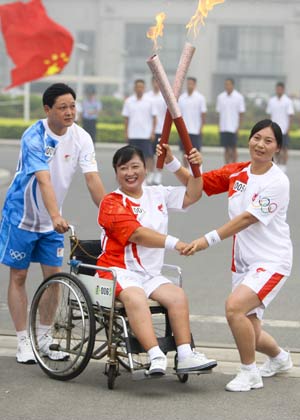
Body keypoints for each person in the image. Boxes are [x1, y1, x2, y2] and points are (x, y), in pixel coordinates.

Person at [176, 119, 292, 392]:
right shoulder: (238, 172)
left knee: (234, 308)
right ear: (249, 140)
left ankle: (249, 372)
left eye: (268, 141)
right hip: (244, 262)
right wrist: (173, 162)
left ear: (277, 148)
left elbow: (247, 219)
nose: (260, 145)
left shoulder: (278, 182)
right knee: (249, 324)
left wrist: (207, 239)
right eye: (257, 138)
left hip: (272, 261)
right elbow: (199, 185)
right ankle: (279, 358)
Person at [0, 83, 105, 364]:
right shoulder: (33, 136)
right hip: (21, 216)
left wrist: (109, 213)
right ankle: (23, 340)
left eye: (72, 105)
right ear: (48, 110)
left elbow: (92, 179)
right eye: (63, 107)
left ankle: (44, 338)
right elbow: (44, 179)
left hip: (51, 222)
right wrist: (56, 215)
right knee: (19, 277)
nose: (70, 112)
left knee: (54, 278)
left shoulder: (82, 138)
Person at [96, 145, 217, 376]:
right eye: (123, 168)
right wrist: (176, 243)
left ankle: (185, 355)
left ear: (146, 167)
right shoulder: (111, 202)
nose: (130, 173)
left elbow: (193, 194)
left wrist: (185, 165)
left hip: (149, 274)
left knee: (177, 296)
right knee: (135, 297)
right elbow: (137, 234)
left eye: (135, 166)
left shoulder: (157, 193)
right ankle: (155, 355)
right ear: (116, 172)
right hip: (117, 270)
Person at [122, 80, 157, 185]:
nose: (139, 89)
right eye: (137, 87)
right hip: (133, 134)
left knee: (148, 156)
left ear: (144, 88)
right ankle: (134, 176)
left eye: (141, 87)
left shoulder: (150, 101)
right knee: (133, 157)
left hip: (145, 135)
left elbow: (155, 118)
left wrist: (152, 132)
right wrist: (126, 132)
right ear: (134, 88)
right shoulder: (129, 101)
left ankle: (149, 174)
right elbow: (126, 119)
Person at [266, 82, 294, 173]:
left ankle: (284, 166)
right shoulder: (272, 100)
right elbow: (270, 115)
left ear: (283, 89)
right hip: (274, 129)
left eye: (280, 89)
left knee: (284, 148)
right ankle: (277, 165)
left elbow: (290, 116)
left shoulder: (287, 101)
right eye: (277, 89)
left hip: (284, 129)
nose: (278, 90)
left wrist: (289, 128)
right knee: (275, 148)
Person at [178, 77, 207, 166]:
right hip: (184, 130)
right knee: (185, 152)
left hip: (195, 130)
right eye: (188, 83)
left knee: (195, 152)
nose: (189, 85)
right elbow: (179, 115)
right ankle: (186, 171)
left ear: (195, 85)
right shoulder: (182, 98)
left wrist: (201, 128)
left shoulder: (200, 98)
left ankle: (196, 172)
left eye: (191, 84)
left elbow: (203, 114)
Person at [216, 79, 245, 164]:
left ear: (233, 85)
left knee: (233, 148)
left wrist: (239, 127)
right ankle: (227, 166)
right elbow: (219, 113)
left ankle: (234, 166)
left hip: (233, 127)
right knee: (226, 148)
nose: (227, 86)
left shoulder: (239, 97)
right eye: (226, 84)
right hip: (224, 127)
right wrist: (219, 126)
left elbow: (241, 113)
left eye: (229, 84)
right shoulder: (220, 97)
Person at [145, 77, 167, 185]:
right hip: (149, 131)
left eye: (158, 82)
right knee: (149, 154)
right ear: (152, 83)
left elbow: (168, 114)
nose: (156, 84)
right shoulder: (147, 97)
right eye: (154, 82)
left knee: (160, 153)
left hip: (161, 129)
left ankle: (158, 173)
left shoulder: (164, 97)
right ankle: (151, 172)